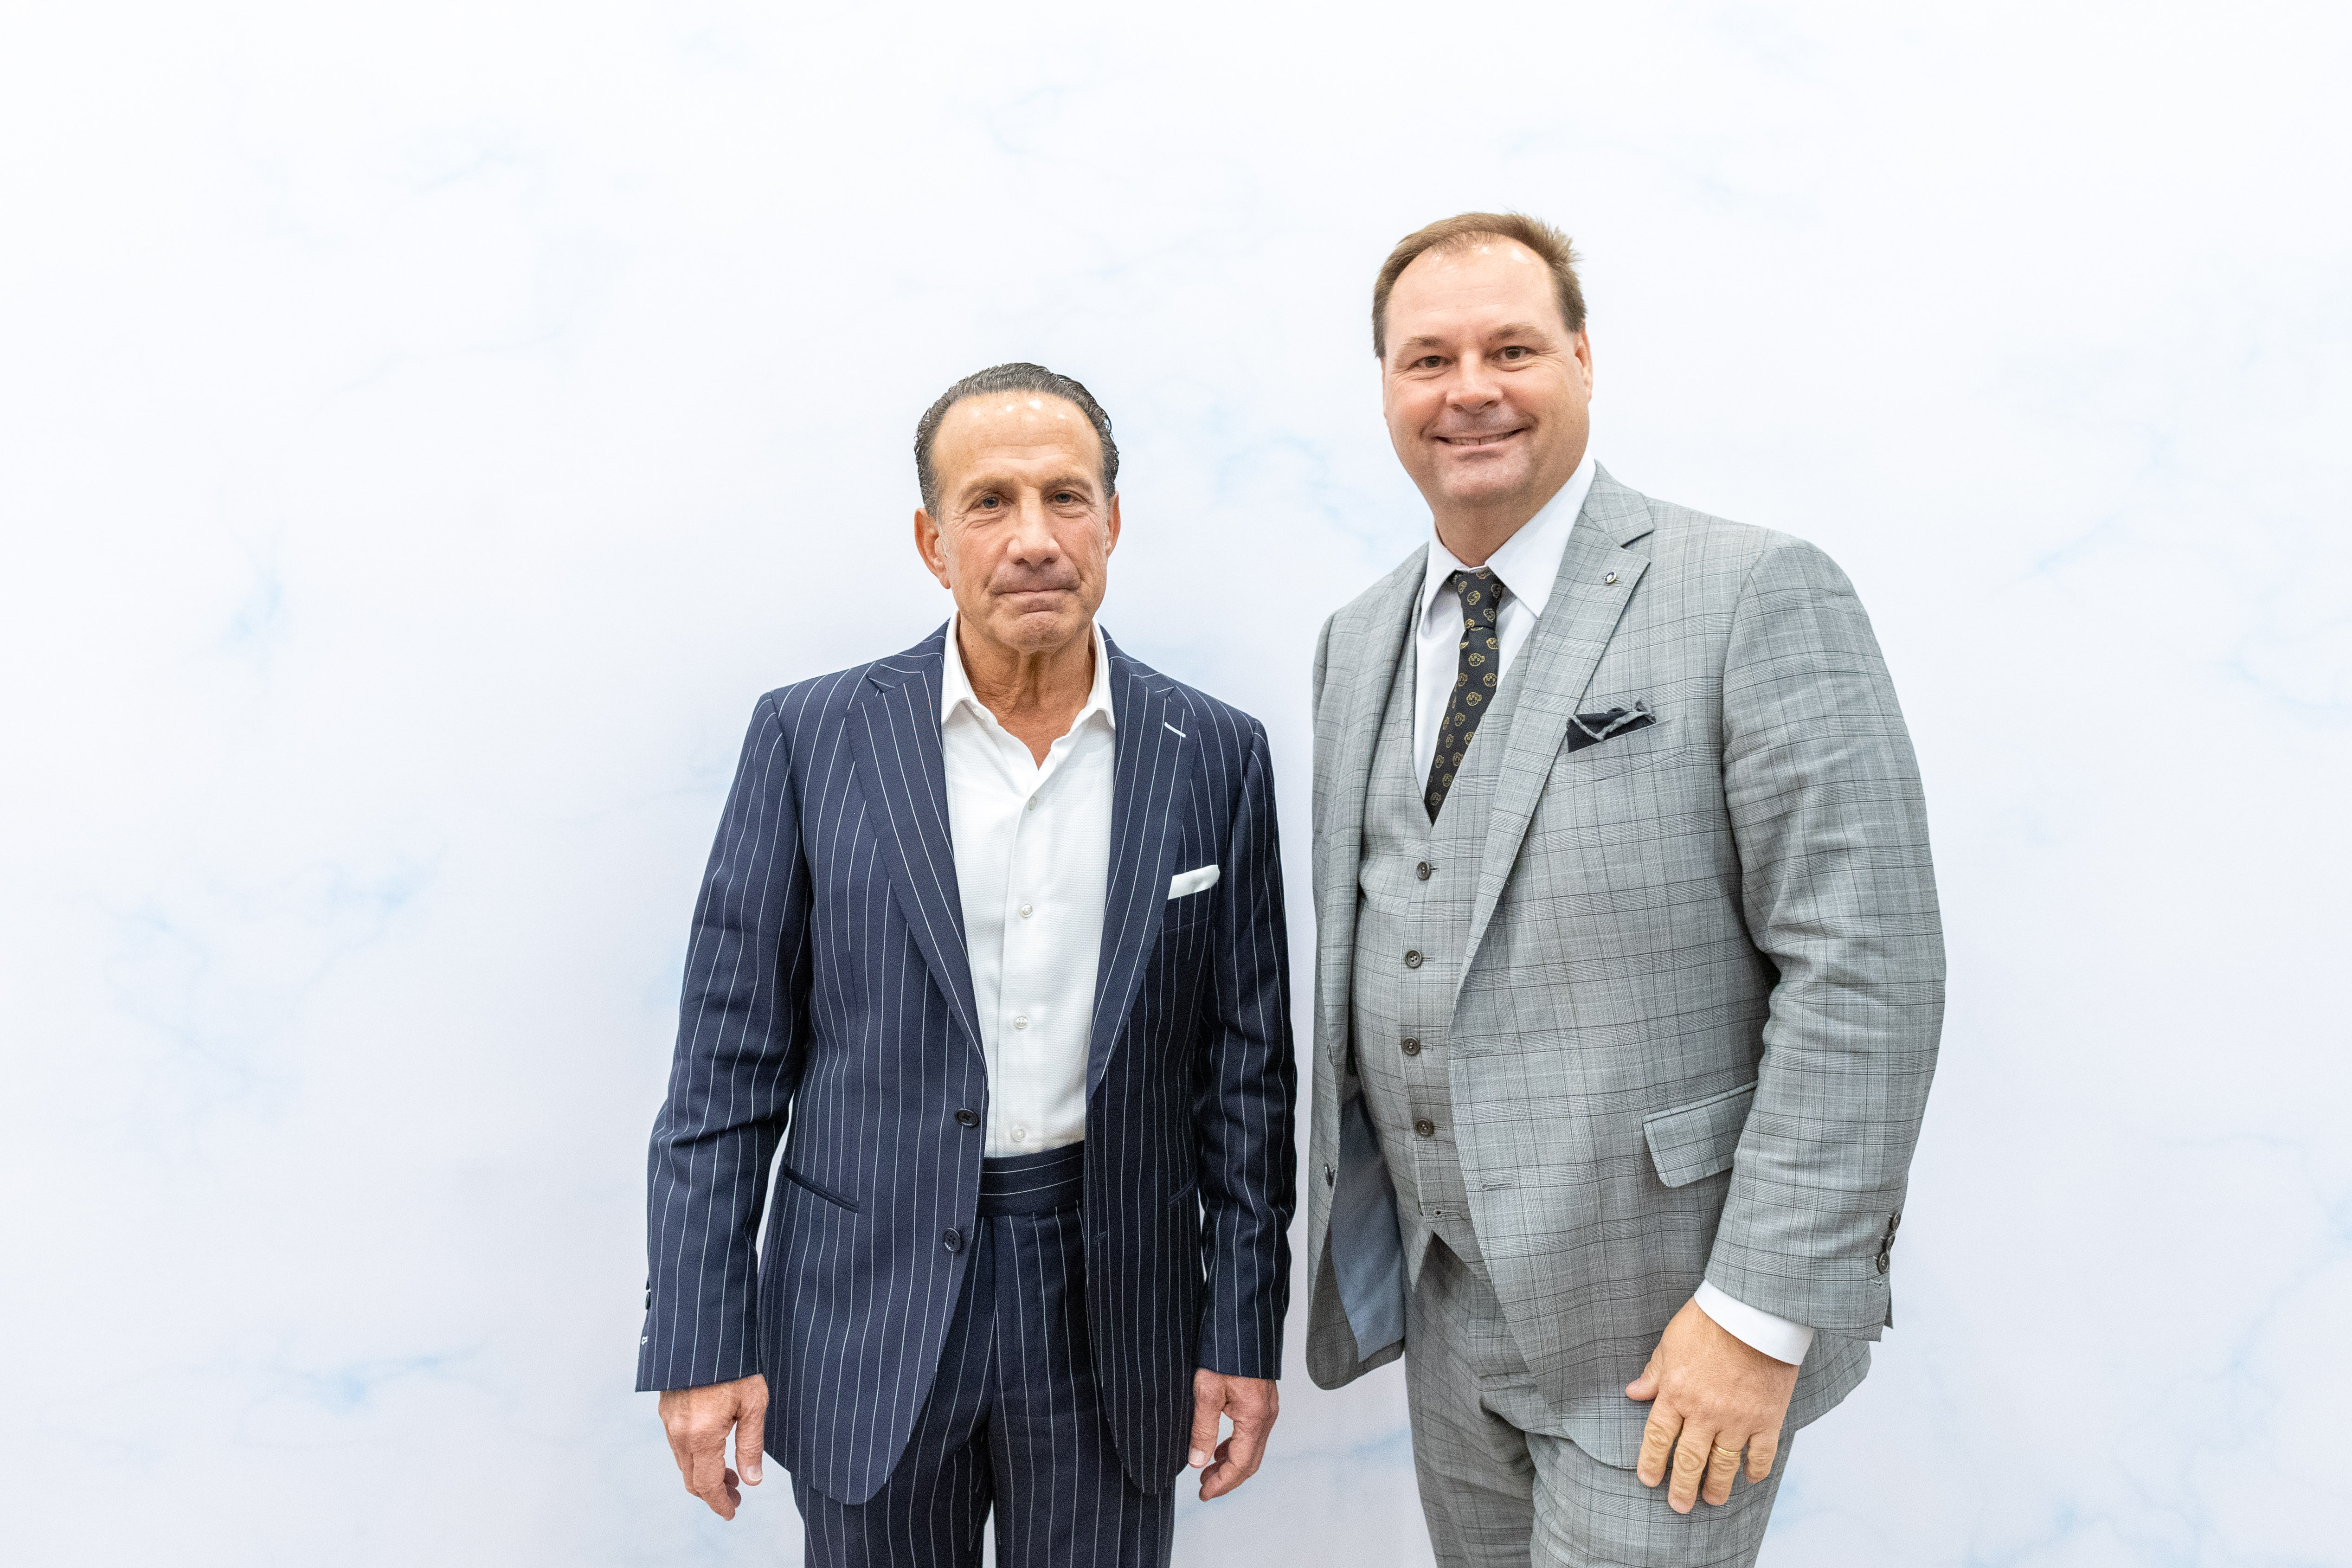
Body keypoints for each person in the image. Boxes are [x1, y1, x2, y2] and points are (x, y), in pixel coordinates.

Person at [1302, 212, 1944, 1566]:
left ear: (1584, 361)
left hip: (1668, 1339)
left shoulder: (1752, 590)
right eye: (1429, 359)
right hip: (1448, 1328)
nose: (1470, 389)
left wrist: (1758, 1315)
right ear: (1386, 389)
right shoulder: (1355, 640)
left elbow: (1867, 970)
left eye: (1512, 349)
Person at [638, 362, 1296, 1567]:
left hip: (1113, 1306)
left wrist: (1244, 1327)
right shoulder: (810, 738)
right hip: (866, 1303)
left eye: (1065, 497)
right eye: (991, 502)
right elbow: (725, 1067)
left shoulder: (1214, 753)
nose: (1034, 537)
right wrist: (698, 1334)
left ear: (1111, 522)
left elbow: (1246, 1083)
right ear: (933, 541)